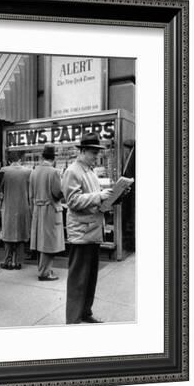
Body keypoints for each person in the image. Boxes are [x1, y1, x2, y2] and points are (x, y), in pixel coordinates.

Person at [61, 133, 113, 324]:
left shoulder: (89, 171)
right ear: (82, 151)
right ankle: (73, 319)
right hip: (82, 232)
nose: (95, 156)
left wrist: (109, 199)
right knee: (78, 279)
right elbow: (72, 201)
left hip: (92, 230)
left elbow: (89, 198)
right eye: (92, 152)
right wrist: (99, 196)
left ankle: (85, 312)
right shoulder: (73, 171)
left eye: (97, 153)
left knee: (90, 277)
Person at [30, 144, 64, 281]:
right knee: (49, 242)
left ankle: (43, 268)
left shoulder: (34, 171)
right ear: (53, 158)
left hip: (37, 209)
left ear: (42, 157)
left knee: (40, 241)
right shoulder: (54, 172)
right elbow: (57, 193)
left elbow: (31, 193)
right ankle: (44, 272)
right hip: (50, 209)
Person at [0, 151, 32, 270]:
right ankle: (17, 261)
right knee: (21, 234)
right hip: (23, 206)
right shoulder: (28, 172)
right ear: (20, 160)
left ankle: (7, 261)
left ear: (8, 160)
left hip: (8, 206)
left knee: (8, 235)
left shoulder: (3, 171)